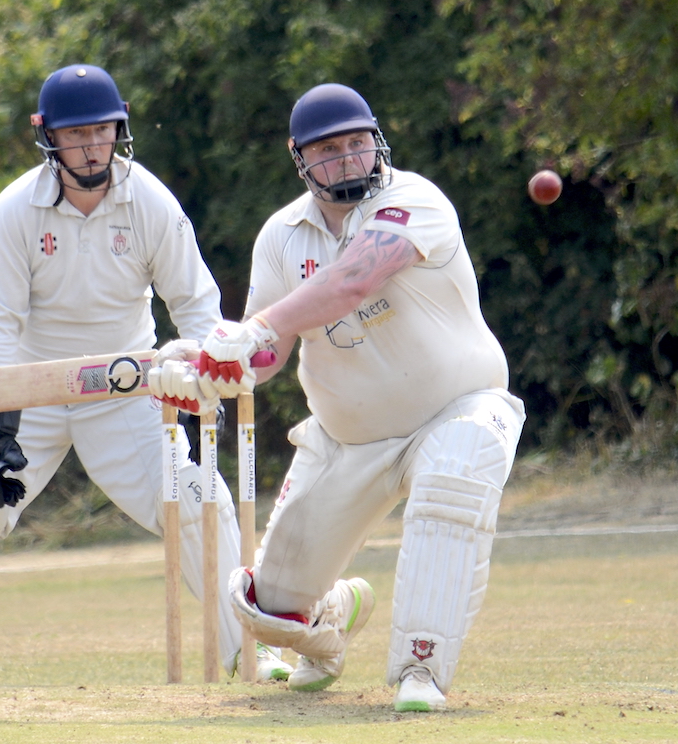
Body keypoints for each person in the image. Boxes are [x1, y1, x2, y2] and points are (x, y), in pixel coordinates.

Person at [0, 64, 291, 691]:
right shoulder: (15, 211)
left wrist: (211, 368)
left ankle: (250, 652)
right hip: (33, 392)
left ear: (118, 129)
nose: (92, 146)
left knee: (196, 495)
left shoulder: (149, 201)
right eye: (77, 135)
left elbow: (197, 305)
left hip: (123, 389)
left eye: (103, 131)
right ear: (47, 137)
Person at [189, 83, 525, 711]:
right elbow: (269, 353)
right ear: (299, 156)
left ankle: (419, 673)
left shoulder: (414, 199)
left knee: (452, 485)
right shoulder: (282, 236)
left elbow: (355, 279)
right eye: (328, 149)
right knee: (267, 611)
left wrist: (260, 326)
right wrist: (215, 363)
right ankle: (332, 616)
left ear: (376, 143)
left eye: (356, 143)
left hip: (458, 407)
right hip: (347, 438)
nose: (347, 159)